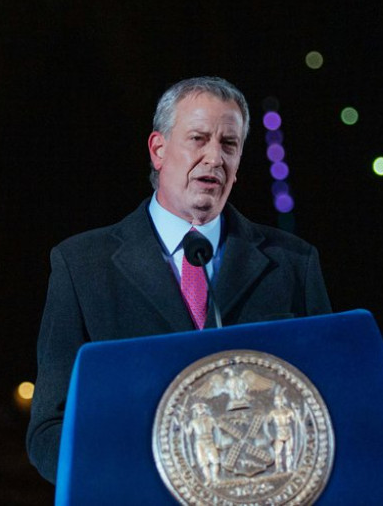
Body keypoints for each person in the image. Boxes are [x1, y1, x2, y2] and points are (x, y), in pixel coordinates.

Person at [26, 76, 332, 483]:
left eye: (229, 145)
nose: (214, 158)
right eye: (198, 139)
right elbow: (50, 431)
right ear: (158, 149)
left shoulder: (293, 263)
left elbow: (330, 406)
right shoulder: (82, 267)